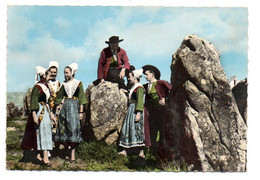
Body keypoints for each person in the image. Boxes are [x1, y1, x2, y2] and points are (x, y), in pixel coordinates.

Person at [21, 66, 55, 166]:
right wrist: (34, 115)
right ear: (43, 75)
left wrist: (51, 115)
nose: (50, 76)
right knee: (42, 132)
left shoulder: (47, 87)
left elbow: (48, 102)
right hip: (40, 111)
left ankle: (40, 155)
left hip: (46, 111)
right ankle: (44, 157)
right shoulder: (37, 87)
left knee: (46, 132)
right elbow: (34, 102)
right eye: (47, 74)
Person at [54, 63, 88, 162]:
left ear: (72, 73)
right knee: (64, 129)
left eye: (67, 73)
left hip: (74, 107)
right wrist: (55, 110)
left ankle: (72, 154)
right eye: (64, 73)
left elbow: (81, 98)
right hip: (64, 108)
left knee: (73, 128)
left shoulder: (78, 83)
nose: (65, 75)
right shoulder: (63, 84)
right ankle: (66, 152)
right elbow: (58, 98)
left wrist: (81, 112)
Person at [118, 69, 146, 162]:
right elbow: (131, 95)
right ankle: (125, 150)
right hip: (131, 109)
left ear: (135, 77)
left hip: (136, 110)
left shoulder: (139, 88)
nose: (129, 79)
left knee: (137, 129)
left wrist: (138, 113)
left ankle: (141, 153)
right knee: (128, 128)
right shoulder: (134, 88)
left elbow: (140, 101)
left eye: (130, 77)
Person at [142, 65, 172, 152]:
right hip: (151, 111)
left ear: (152, 74)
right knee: (152, 130)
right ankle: (153, 151)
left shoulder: (161, 83)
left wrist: (165, 99)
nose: (145, 76)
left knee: (162, 129)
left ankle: (164, 150)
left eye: (147, 74)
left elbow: (173, 91)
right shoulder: (146, 86)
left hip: (161, 110)